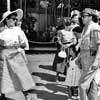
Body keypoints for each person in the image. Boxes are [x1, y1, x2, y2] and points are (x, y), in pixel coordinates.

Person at [0, 9, 35, 100]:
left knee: (20, 76)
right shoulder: (1, 31)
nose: (15, 20)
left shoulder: (18, 30)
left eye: (16, 19)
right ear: (7, 20)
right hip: (4, 56)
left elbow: (24, 44)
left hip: (15, 55)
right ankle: (2, 95)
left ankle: (27, 95)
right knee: (3, 76)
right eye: (13, 18)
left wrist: (18, 45)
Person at [77, 8, 100, 100]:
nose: (82, 18)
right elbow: (83, 46)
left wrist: (96, 60)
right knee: (92, 85)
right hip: (85, 59)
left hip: (92, 59)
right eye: (81, 16)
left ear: (90, 17)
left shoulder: (95, 27)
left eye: (84, 16)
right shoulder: (85, 28)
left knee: (82, 85)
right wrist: (79, 57)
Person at [55, 18, 77, 82]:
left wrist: (70, 44)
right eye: (69, 25)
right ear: (65, 25)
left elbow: (75, 41)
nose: (70, 26)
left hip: (70, 48)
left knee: (69, 63)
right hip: (63, 48)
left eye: (70, 24)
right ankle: (57, 77)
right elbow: (58, 40)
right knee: (60, 62)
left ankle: (68, 77)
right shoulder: (61, 31)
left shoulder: (73, 32)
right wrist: (63, 45)